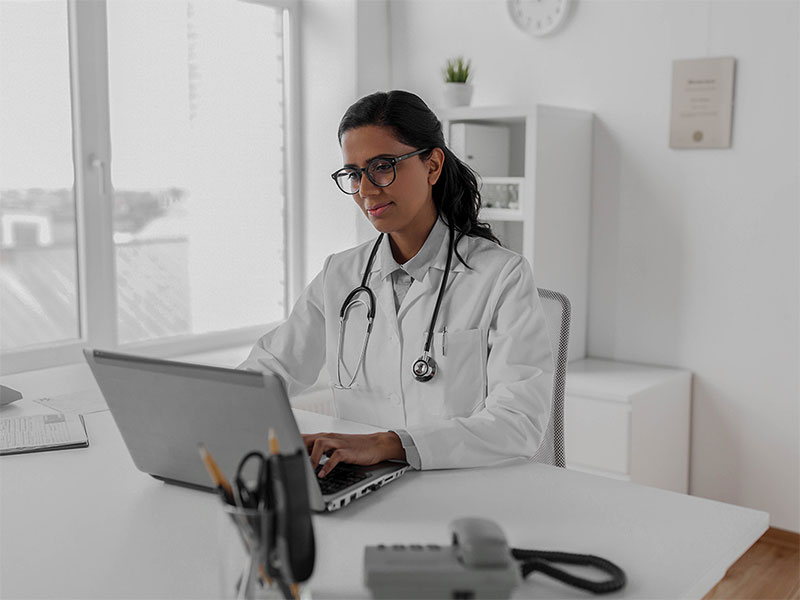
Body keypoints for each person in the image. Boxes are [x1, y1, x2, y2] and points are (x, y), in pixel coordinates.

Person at [240, 90, 553, 477]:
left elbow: (518, 422)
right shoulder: (340, 275)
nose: (366, 190)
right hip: (362, 485)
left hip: (462, 486)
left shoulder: (501, 276)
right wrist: (208, 409)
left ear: (432, 165)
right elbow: (273, 367)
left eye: (382, 166)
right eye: (354, 174)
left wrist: (389, 444)